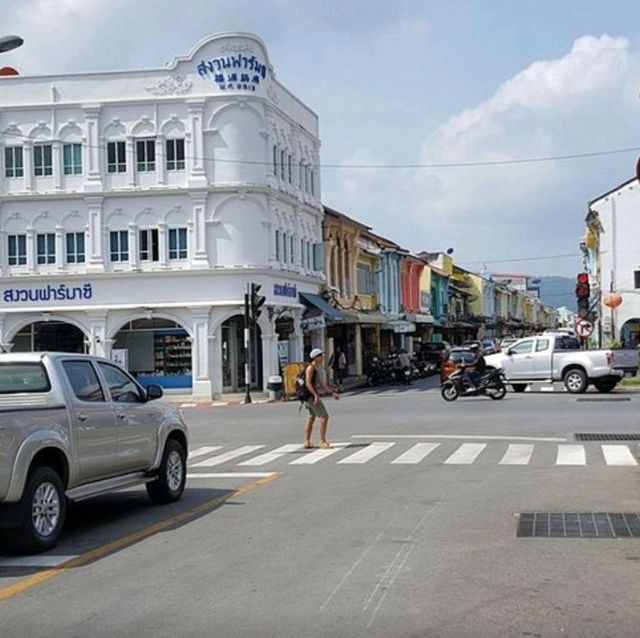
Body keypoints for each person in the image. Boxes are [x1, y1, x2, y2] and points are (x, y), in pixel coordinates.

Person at [303, 348, 340, 449]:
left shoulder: (316, 368)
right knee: (324, 416)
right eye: (320, 356)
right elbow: (308, 383)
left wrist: (332, 393)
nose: (322, 357)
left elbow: (322, 383)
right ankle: (322, 441)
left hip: (310, 396)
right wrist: (315, 395)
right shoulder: (310, 368)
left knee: (311, 416)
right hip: (310, 396)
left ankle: (307, 441)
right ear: (315, 357)